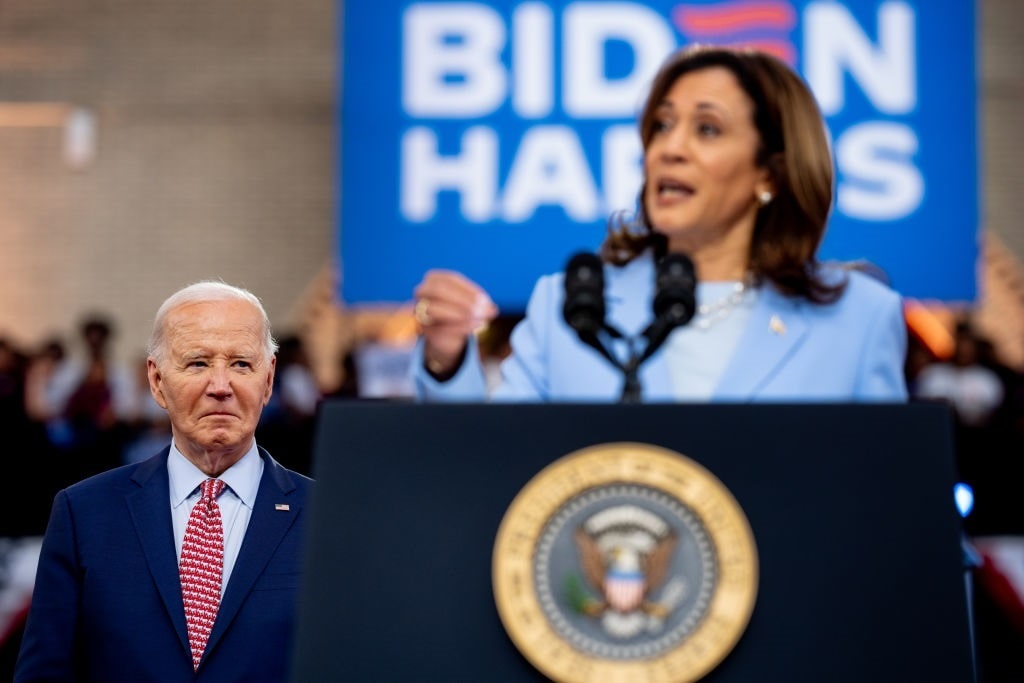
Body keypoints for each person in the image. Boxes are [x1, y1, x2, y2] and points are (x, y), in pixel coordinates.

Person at [409, 44, 908, 403]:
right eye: (663, 125)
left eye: (707, 129)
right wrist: (447, 362)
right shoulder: (567, 308)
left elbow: (894, 509)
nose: (670, 148)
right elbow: (496, 468)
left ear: (770, 173)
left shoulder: (860, 319)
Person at [15, 281, 313, 682]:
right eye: (198, 363)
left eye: (241, 364)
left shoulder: (327, 515)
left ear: (269, 379)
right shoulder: (84, 514)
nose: (220, 386)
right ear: (156, 381)